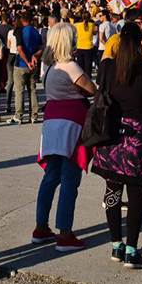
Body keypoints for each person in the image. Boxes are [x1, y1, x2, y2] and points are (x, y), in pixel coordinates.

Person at [92, 22, 142, 268]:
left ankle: (116, 244)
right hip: (135, 135)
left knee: (112, 189)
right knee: (136, 193)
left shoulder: (108, 67)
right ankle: (131, 249)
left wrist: (115, 42)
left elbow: (106, 56)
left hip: (111, 134)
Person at [33, 22, 95, 252]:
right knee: (70, 179)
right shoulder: (71, 67)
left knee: (51, 176)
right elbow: (93, 89)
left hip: (52, 122)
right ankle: (65, 233)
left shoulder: (49, 67)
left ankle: (41, 226)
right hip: (71, 123)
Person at [11, 11, 43, 124]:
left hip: (21, 64)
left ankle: (19, 115)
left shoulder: (20, 31)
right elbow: (41, 48)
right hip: (33, 64)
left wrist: (27, 61)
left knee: (19, 91)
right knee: (32, 90)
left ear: (22, 20)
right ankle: (34, 115)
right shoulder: (35, 31)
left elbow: (19, 49)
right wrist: (35, 56)